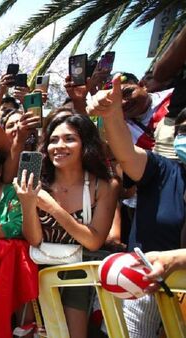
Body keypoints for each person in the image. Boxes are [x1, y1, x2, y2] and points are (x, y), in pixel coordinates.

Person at [88, 74, 186, 338]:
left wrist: (175, 260)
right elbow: (126, 154)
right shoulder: (164, 171)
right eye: (183, 131)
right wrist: (110, 116)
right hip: (142, 288)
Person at [14, 113, 120, 338]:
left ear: (86, 144)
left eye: (69, 139)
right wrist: (27, 203)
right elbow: (34, 239)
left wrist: (53, 209)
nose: (59, 146)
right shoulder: (38, 181)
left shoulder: (105, 186)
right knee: (32, 334)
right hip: (37, 272)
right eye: (53, 140)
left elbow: (93, 240)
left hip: (79, 275)